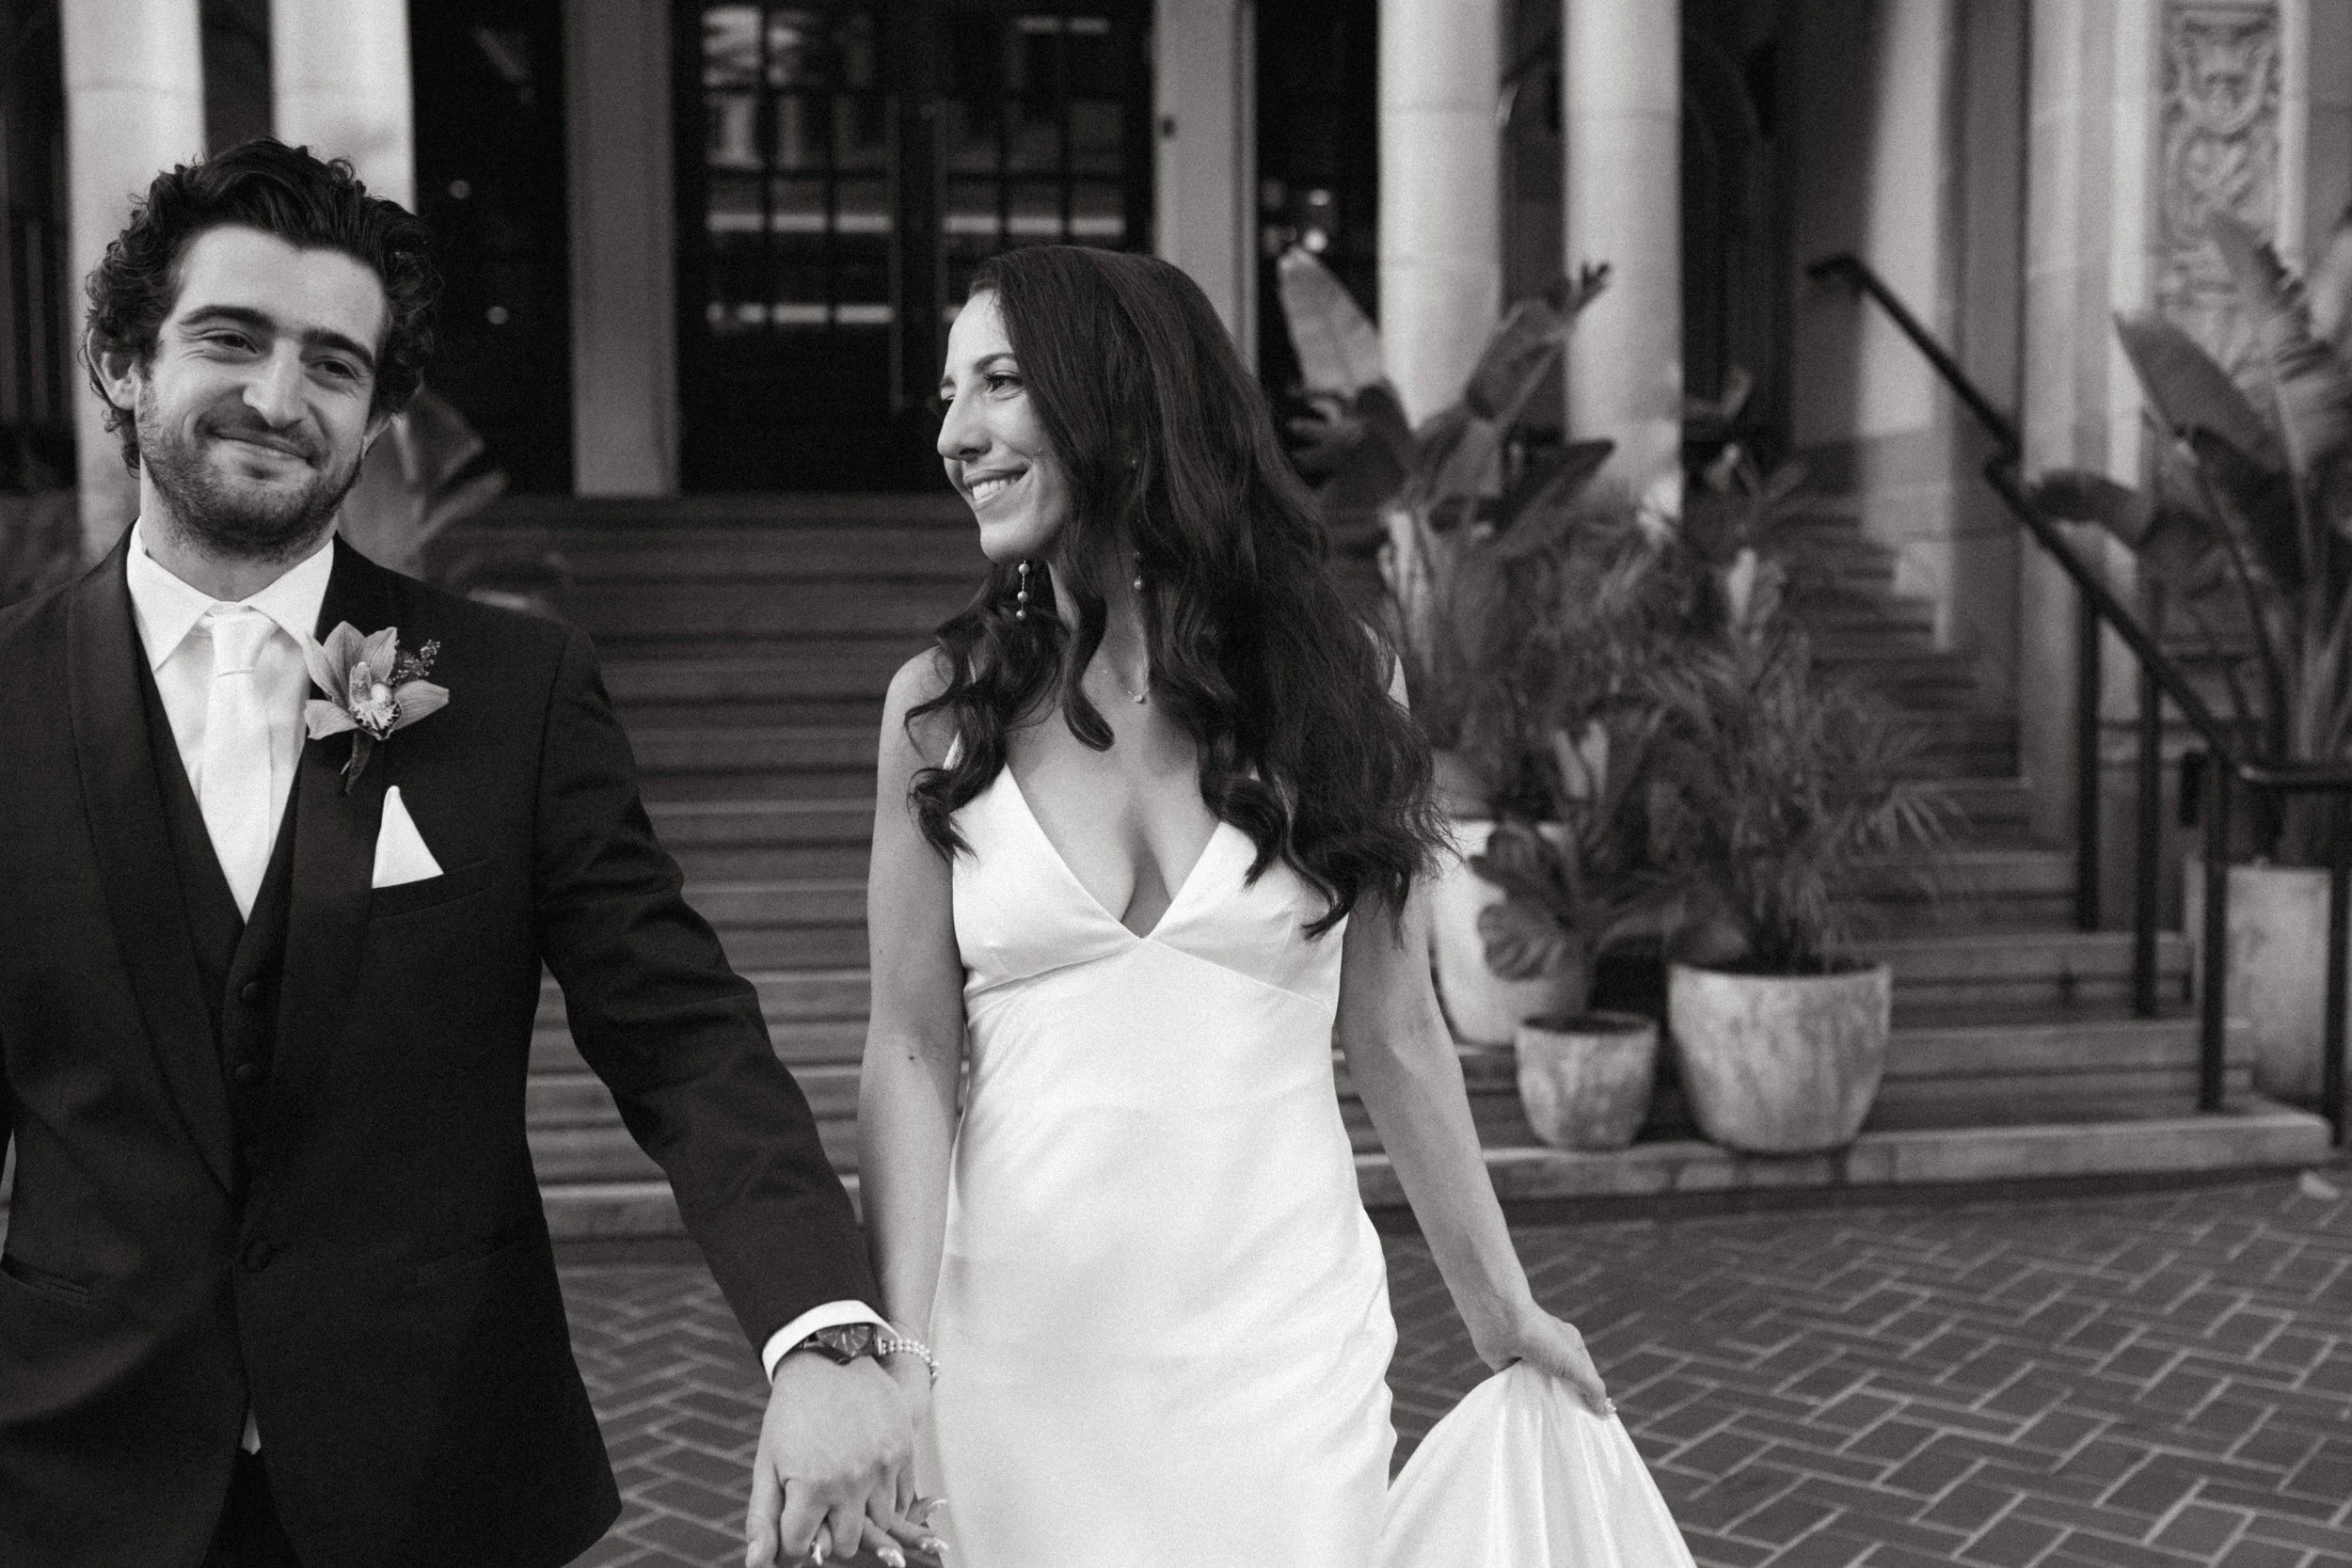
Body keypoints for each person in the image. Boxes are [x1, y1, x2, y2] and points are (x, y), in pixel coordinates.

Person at [0, 140, 930, 1568]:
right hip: (78, 1479)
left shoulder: (512, 690)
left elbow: (679, 1037)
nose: (276, 395)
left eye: (332, 364)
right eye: (229, 340)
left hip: (439, 1476)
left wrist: (818, 1329)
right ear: (124, 362)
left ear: (373, 420)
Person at [856, 244, 1613, 1567]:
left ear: (1118, 395)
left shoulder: (1334, 687)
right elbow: (911, 1049)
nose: (954, 434)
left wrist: (1503, 1309)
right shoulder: (939, 707)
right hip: (1018, 1358)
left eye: (997, 384)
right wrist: (896, 1355)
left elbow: (1396, 1027)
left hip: (1281, 1354)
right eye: (945, 395)